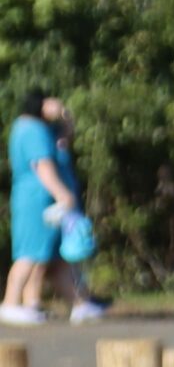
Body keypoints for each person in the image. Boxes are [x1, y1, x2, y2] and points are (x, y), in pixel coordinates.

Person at [4, 95, 103, 324]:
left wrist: (64, 116)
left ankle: (79, 304)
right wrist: (62, 194)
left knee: (57, 257)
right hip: (38, 200)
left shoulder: (35, 129)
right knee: (29, 253)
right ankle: (10, 303)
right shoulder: (32, 129)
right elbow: (42, 165)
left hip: (41, 199)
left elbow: (63, 139)